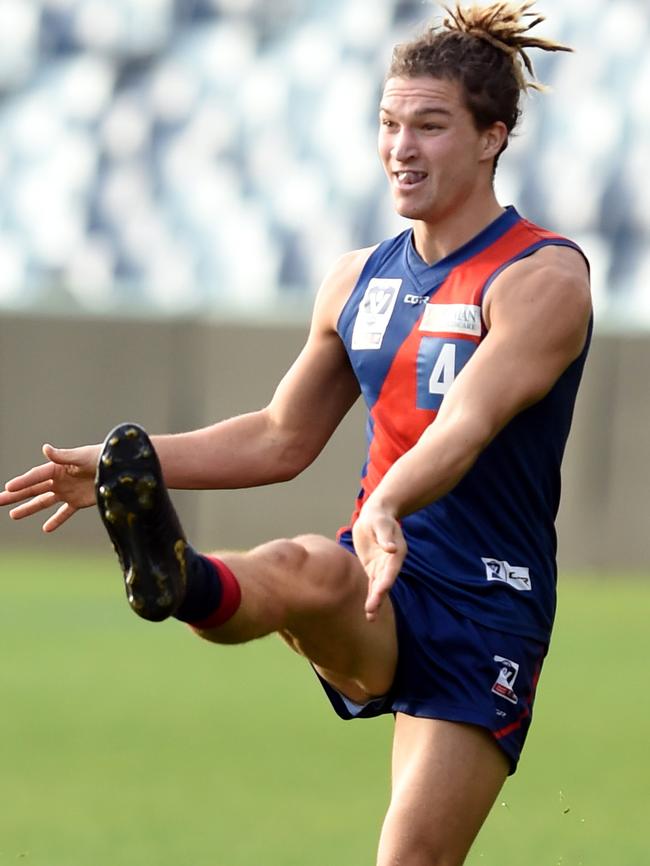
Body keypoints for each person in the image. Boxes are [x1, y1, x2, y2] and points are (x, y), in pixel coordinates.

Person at [0, 3, 592, 864]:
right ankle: (177, 579)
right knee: (305, 566)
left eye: (430, 126)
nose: (401, 147)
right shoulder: (356, 279)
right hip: (378, 581)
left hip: (488, 602)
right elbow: (281, 436)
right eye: (389, 124)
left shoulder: (542, 276)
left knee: (412, 860)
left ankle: (200, 577)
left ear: (493, 137)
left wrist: (387, 503)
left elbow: (466, 422)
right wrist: (126, 465)